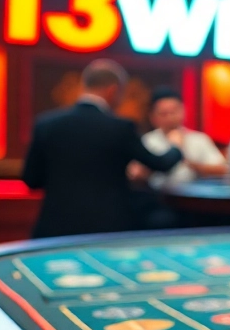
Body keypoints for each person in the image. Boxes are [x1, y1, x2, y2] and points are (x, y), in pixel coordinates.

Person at [21, 59, 184, 238]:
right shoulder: (120, 128)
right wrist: (175, 145)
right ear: (113, 89)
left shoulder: (46, 124)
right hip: (108, 229)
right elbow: (161, 164)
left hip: (54, 229)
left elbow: (31, 179)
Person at [130, 90, 227, 189]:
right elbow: (134, 173)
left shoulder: (199, 139)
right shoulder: (147, 141)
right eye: (164, 114)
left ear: (184, 111)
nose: (170, 118)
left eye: (174, 112)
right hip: (157, 197)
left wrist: (193, 165)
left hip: (193, 197)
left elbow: (223, 170)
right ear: (153, 117)